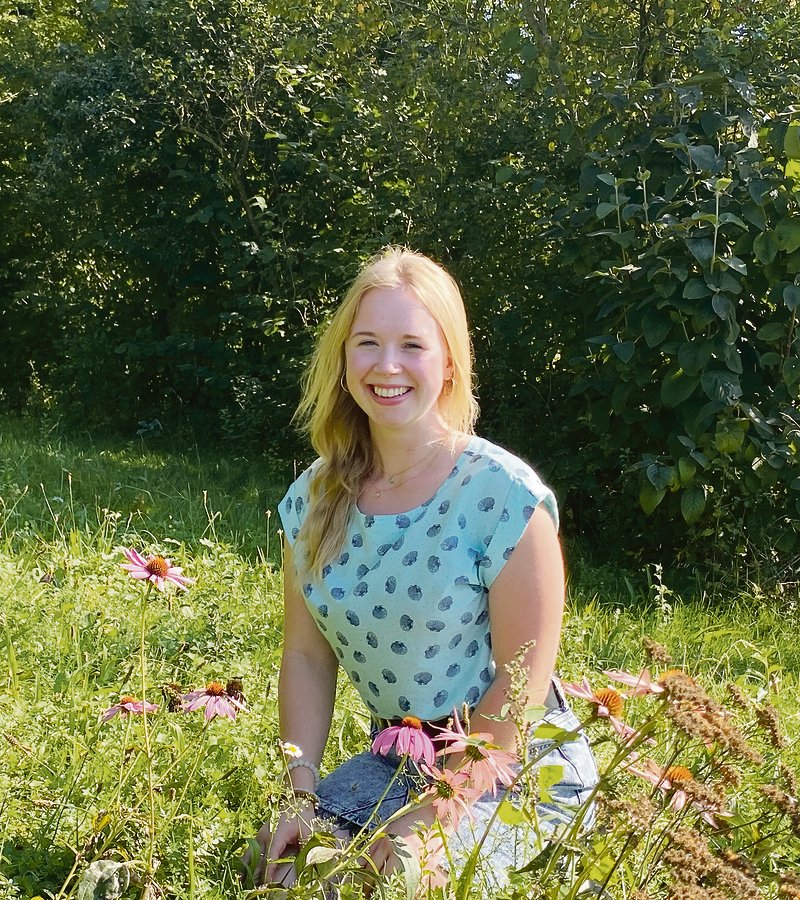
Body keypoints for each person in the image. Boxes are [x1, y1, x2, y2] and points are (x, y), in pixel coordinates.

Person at [252, 247, 598, 891]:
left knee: (398, 882)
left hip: (517, 770)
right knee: (284, 869)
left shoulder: (504, 498)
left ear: (449, 363)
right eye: (367, 343)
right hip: (400, 757)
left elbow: (522, 682)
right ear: (343, 358)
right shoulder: (312, 500)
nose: (387, 365)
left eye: (412, 344)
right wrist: (299, 794)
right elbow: (305, 656)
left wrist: (435, 816)